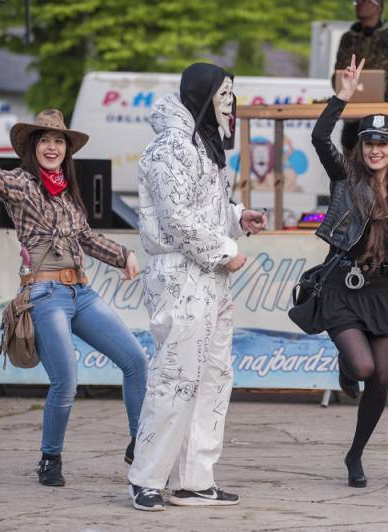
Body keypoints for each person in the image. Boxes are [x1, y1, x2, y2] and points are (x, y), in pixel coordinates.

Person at [0, 83, 148, 487]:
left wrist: (124, 255)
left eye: (59, 141)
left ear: (66, 149)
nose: (52, 147)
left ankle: (142, 445)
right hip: (45, 295)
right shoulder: (22, 184)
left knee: (136, 361)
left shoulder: (68, 193)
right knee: (66, 382)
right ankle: (50, 458)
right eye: (45, 140)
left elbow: (86, 238)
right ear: (33, 147)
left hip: (81, 292)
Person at [127, 63, 268, 511]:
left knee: (212, 379)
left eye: (232, 94)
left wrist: (237, 217)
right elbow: (176, 219)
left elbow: (205, 207)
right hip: (181, 275)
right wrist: (225, 250)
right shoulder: (171, 146)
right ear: (203, 96)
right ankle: (146, 478)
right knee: (175, 376)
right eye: (223, 94)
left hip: (210, 278)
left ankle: (194, 480)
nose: (230, 104)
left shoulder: (203, 144)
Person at [311, 55, 388, 488]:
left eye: (383, 143)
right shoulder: (345, 178)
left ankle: (355, 454)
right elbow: (320, 137)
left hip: (383, 294)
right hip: (343, 287)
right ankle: (346, 365)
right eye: (368, 143)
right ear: (360, 147)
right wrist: (342, 95)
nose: (375, 149)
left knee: (380, 381)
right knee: (362, 368)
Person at [332, 0, 388, 152]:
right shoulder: (347, 38)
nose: (358, 4)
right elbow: (336, 77)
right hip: (352, 119)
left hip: (385, 118)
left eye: (364, 1)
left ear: (378, 6)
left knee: (381, 160)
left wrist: (377, 89)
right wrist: (344, 86)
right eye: (357, 1)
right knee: (351, 163)